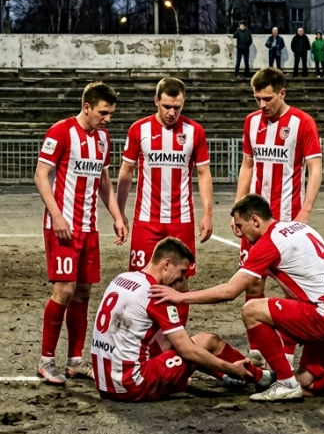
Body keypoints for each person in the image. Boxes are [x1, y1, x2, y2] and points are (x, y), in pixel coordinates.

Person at [151, 195, 324, 403]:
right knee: (306, 385)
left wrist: (180, 297)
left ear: (255, 220)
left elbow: (230, 291)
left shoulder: (269, 243)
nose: (240, 234)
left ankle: (285, 383)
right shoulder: (301, 228)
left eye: (240, 226)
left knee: (251, 310)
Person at [35, 82, 129, 385]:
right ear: (86, 107)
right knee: (64, 290)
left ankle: (75, 360)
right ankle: (46, 361)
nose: (107, 119)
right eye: (104, 112)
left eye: (111, 113)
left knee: (85, 292)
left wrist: (116, 215)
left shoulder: (103, 139)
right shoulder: (61, 132)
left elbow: (103, 181)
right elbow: (40, 176)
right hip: (63, 227)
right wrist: (57, 216)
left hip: (89, 228)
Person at [91, 238, 264, 402]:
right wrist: (230, 368)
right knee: (206, 341)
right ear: (166, 264)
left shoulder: (122, 278)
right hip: (131, 386)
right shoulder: (156, 294)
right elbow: (188, 351)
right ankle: (260, 377)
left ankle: (227, 376)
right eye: (182, 271)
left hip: (104, 383)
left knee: (171, 341)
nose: (182, 278)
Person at [237, 66, 323, 367]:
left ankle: (290, 343)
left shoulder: (302, 123)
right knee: (252, 283)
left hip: (287, 222)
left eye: (268, 99)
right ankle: (258, 347)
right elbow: (247, 166)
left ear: (282, 93)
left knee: (292, 286)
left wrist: (306, 210)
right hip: (255, 222)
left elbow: (314, 168)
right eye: (257, 99)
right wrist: (239, 211)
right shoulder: (251, 122)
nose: (262, 105)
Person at [116, 77, 213, 283]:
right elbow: (126, 172)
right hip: (146, 219)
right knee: (141, 279)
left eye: (177, 107)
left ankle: (175, 317)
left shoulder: (195, 131)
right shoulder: (138, 130)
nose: (171, 113)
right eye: (167, 106)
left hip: (181, 220)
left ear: (183, 103)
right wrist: (120, 213)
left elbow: (203, 173)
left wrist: (207, 214)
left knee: (180, 280)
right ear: (156, 101)